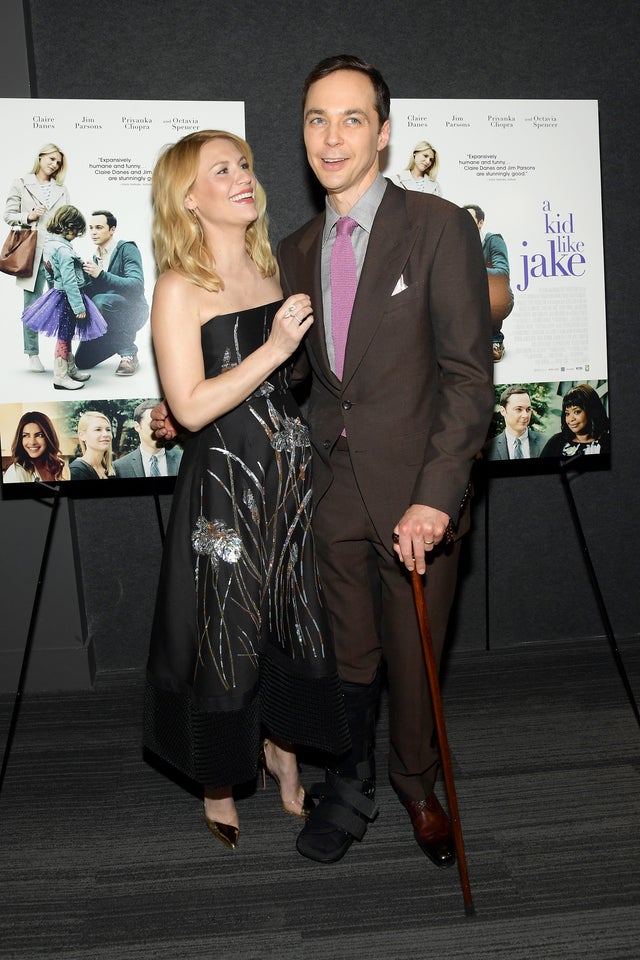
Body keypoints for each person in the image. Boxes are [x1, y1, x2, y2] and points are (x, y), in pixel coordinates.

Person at [276, 55, 493, 866]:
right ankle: (351, 780)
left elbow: (470, 379)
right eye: (316, 120)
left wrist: (437, 496)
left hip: (417, 503)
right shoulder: (295, 247)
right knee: (347, 658)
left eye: (351, 118)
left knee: (415, 665)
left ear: (385, 131)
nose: (331, 138)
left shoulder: (437, 226)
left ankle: (417, 783)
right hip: (329, 494)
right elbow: (303, 375)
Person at [143, 130, 349, 851]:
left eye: (246, 166)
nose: (242, 177)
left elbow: (291, 394)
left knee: (289, 621)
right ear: (188, 198)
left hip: (289, 487)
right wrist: (275, 349)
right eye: (221, 169)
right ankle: (219, 777)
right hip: (226, 490)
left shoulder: (274, 271)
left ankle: (282, 749)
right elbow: (193, 407)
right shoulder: (178, 286)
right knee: (225, 631)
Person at [21, 205, 107, 391]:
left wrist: (54, 292)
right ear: (68, 226)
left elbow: (49, 273)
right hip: (69, 298)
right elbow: (69, 282)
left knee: (66, 334)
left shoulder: (49, 245)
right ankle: (60, 376)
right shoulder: (65, 251)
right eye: (76, 231)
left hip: (58, 295)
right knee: (64, 337)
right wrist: (79, 307)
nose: (76, 235)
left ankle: (70, 369)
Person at [3, 143, 70, 371]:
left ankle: (62, 355)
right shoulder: (21, 183)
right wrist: (29, 216)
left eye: (58, 162)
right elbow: (9, 216)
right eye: (51, 159)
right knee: (32, 305)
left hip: (56, 254)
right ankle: (32, 354)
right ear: (40, 157)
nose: (54, 165)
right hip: (31, 252)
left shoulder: (61, 189)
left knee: (63, 304)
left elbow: (67, 220)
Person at [74, 210, 149, 377]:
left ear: (112, 229)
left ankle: (128, 353)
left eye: (99, 227)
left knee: (100, 301)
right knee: (82, 362)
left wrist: (100, 274)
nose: (93, 232)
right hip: (109, 315)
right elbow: (93, 294)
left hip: (134, 311)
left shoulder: (126, 249)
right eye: (91, 228)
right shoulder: (94, 258)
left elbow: (136, 285)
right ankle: (119, 341)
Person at [463, 204, 514, 362]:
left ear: (480, 222)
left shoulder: (493, 241)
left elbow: (503, 273)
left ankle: (495, 340)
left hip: (496, 299)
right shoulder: (458, 245)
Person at [113, 399, 182, 478]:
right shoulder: (120, 467)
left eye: (163, 424)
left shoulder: (184, 459)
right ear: (137, 427)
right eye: (153, 425)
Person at [541, 383, 610, 459]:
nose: (571, 419)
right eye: (567, 414)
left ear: (591, 411)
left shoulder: (608, 442)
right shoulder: (556, 442)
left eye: (576, 412)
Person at [3, 410, 69, 483]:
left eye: (39, 435)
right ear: (20, 439)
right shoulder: (15, 473)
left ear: (48, 438)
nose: (32, 442)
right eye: (26, 435)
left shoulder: (61, 467)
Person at [486, 385, 546, 459]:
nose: (525, 415)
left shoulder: (546, 442)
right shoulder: (488, 449)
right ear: (503, 411)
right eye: (518, 409)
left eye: (528, 409)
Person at [70, 410, 116, 480]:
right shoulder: (76, 471)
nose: (105, 434)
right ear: (82, 435)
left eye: (108, 430)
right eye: (98, 429)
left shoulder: (112, 470)